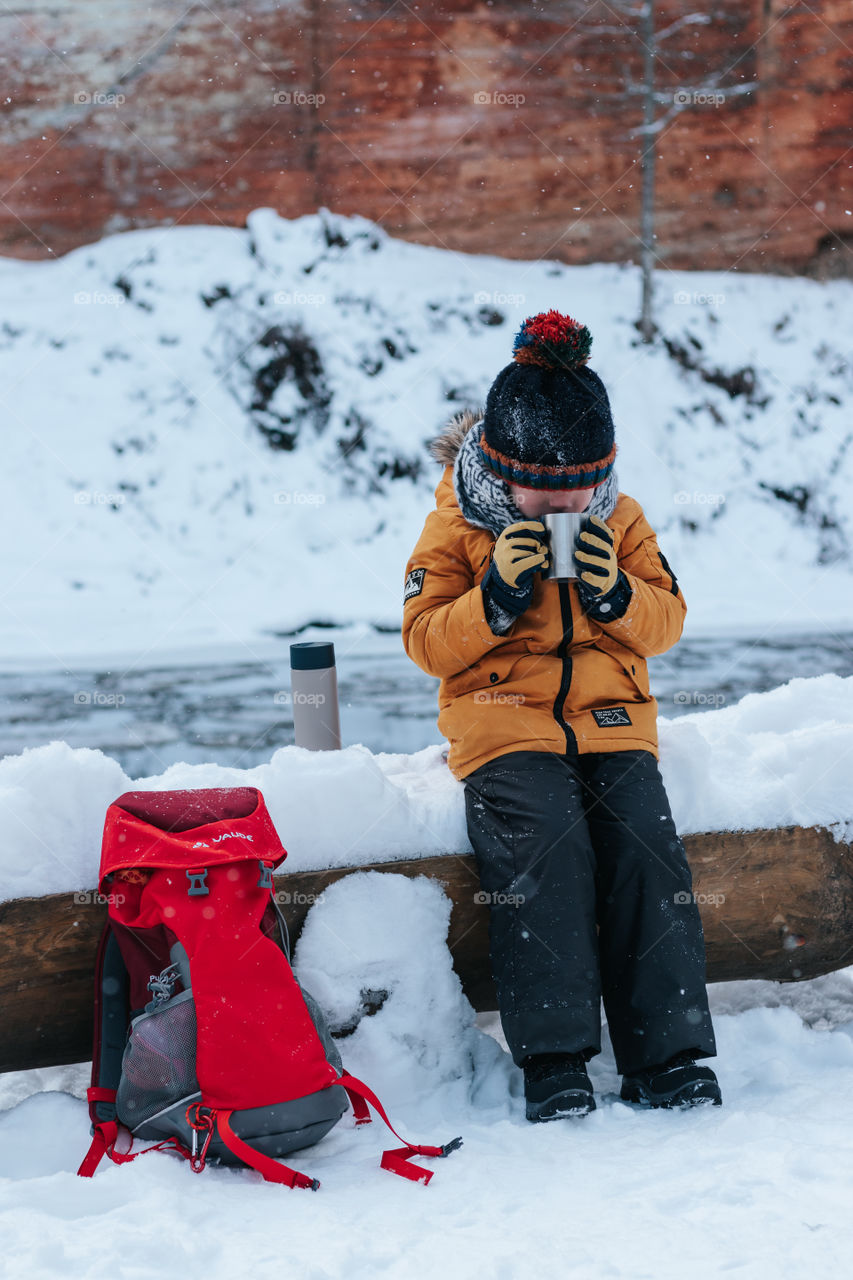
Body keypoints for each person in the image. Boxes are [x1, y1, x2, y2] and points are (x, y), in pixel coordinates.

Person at [402, 309, 721, 1121]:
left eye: (579, 483)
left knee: (647, 852)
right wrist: (494, 600)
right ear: (501, 474)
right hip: (503, 725)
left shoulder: (621, 520)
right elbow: (425, 642)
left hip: (612, 721)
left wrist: (615, 592)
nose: (562, 500)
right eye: (542, 488)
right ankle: (553, 1059)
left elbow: (669, 620)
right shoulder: (456, 526)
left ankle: (670, 1053)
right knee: (546, 850)